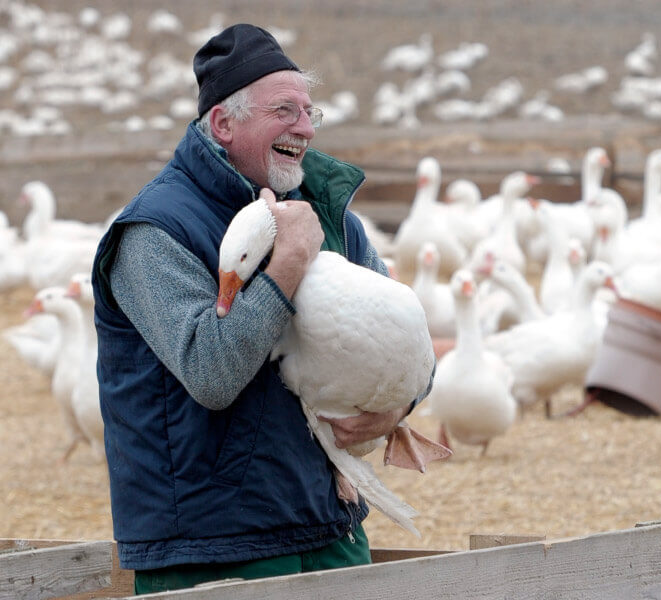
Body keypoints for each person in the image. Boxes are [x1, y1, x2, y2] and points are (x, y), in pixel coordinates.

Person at [89, 24, 422, 593]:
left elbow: (402, 337)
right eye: (284, 110)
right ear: (224, 124)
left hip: (330, 528)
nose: (305, 127)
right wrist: (286, 264)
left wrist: (400, 407)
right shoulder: (155, 231)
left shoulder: (330, 217)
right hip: (215, 546)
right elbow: (211, 375)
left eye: (310, 112)